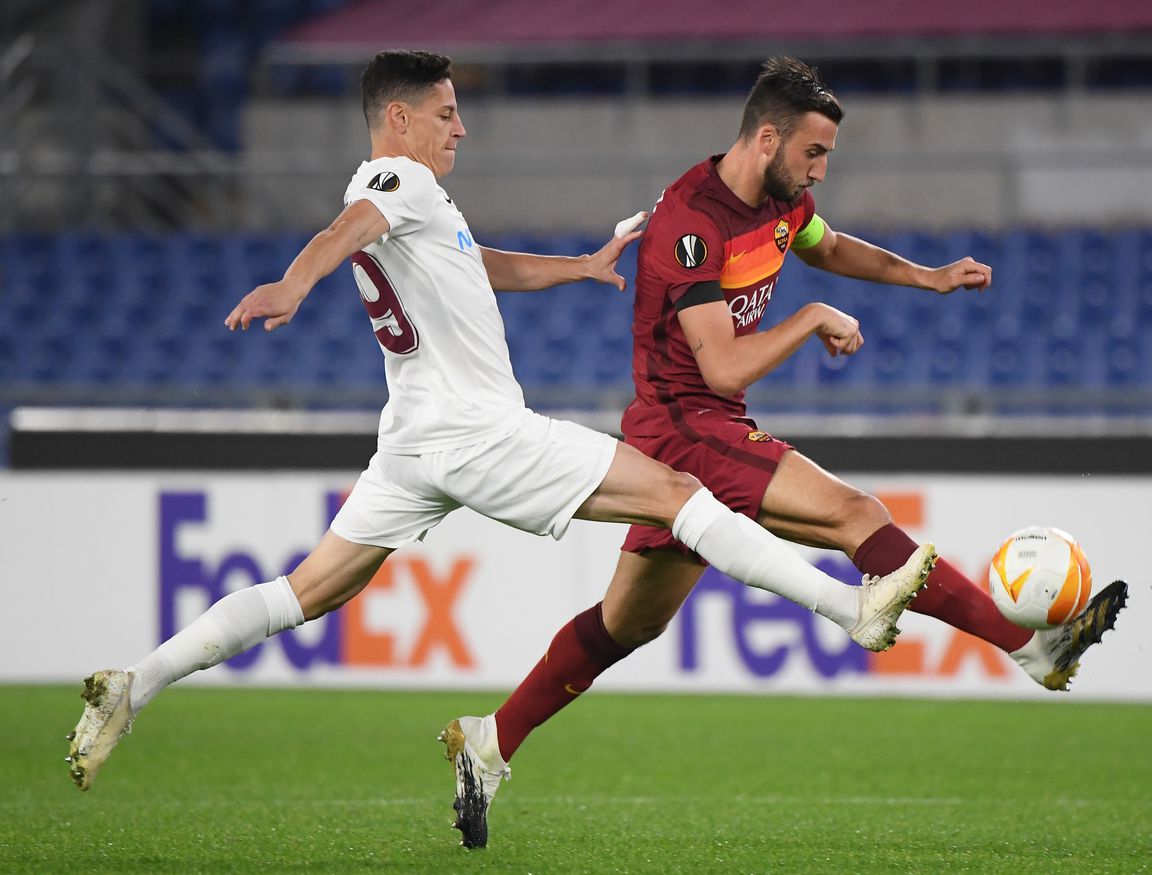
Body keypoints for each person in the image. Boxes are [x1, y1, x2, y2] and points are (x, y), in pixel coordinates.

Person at [65, 50, 939, 821]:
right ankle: (846, 607)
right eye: (447, 113)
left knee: (307, 591)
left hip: (410, 438)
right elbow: (346, 231)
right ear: (398, 119)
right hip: (476, 429)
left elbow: (470, 263)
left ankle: (136, 684)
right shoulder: (391, 182)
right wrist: (294, 283)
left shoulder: (420, 203)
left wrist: (578, 268)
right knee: (681, 494)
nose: (462, 128)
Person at [444, 57, 1129, 847]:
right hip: (685, 425)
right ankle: (1032, 646)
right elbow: (723, 367)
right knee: (856, 515)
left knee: (622, 627)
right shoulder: (691, 224)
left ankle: (488, 741)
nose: (821, 171)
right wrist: (809, 319)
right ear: (766, 136)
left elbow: (828, 246)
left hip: (698, 428)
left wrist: (926, 277)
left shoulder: (781, 201)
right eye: (813, 153)